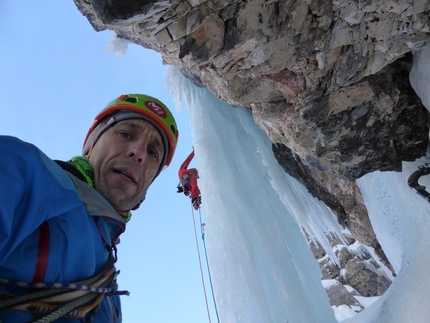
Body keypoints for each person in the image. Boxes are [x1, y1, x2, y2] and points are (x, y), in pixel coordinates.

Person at [0, 94, 179, 322]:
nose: (139, 153)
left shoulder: (109, 288)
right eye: (125, 134)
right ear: (91, 145)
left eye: (153, 152)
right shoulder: (23, 172)